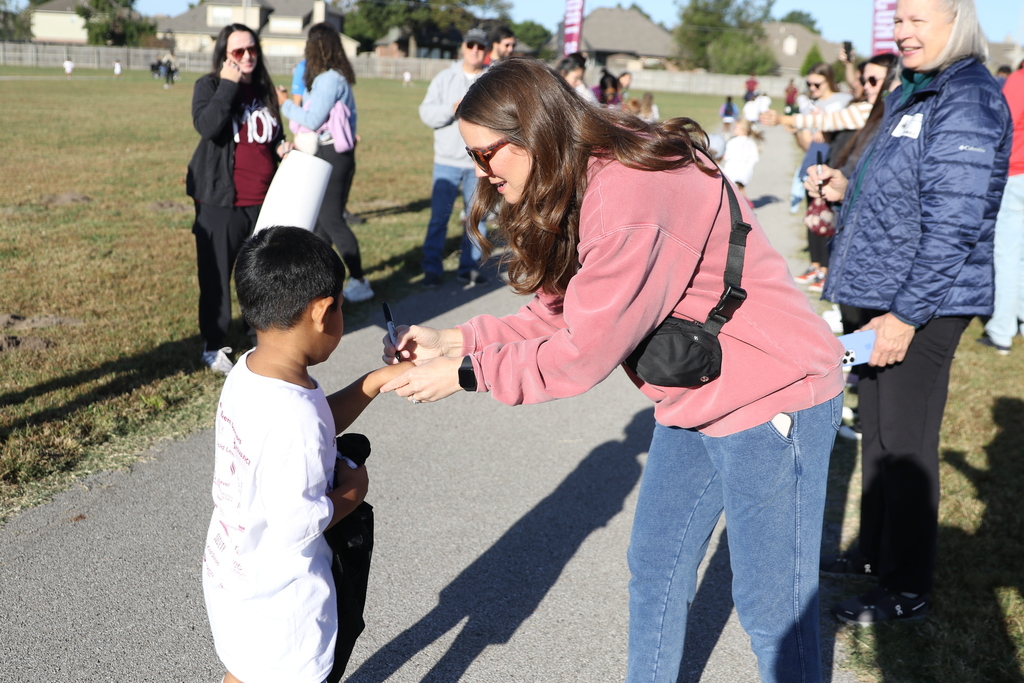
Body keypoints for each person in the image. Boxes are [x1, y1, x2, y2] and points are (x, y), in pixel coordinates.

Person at [380, 58, 845, 682]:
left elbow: (580, 353)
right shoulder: (584, 177)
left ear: (535, 135)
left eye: (488, 154)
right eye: (472, 157)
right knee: (657, 563)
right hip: (698, 396)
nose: (481, 173)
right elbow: (562, 313)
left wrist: (468, 374)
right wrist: (454, 338)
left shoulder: (628, 196)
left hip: (772, 396)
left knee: (772, 609)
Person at [808, 0, 1011, 624]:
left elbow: (953, 225)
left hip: (923, 304)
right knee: (877, 431)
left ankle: (908, 584)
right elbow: (903, 188)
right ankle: (875, 555)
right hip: (880, 293)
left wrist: (903, 317)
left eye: (919, 19)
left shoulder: (967, 97)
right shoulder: (915, 91)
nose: (903, 31)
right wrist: (847, 188)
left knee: (906, 442)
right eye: (899, 20)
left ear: (958, 20)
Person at [202, 226, 410, 683]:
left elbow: (314, 422)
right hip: (284, 607)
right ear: (322, 311)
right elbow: (299, 523)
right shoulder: (294, 415)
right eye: (340, 308)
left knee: (242, 670)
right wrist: (354, 490)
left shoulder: (252, 371)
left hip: (233, 575)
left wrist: (373, 382)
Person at [186, 23, 291, 374]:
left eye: (252, 50)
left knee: (259, 274)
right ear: (224, 55)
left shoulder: (263, 91)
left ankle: (259, 337)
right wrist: (228, 84)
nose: (247, 57)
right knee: (216, 274)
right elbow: (208, 127)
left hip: (263, 199)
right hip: (220, 200)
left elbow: (271, 134)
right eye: (238, 52)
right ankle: (214, 344)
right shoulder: (210, 86)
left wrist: (281, 148)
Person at [278, 23, 373, 304]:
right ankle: (320, 283)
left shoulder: (329, 79)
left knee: (332, 220)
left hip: (334, 156)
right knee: (320, 226)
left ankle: (360, 280)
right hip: (330, 154)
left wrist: (283, 102)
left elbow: (312, 119)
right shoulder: (331, 78)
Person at [417, 27, 491, 287]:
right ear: (463, 47)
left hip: (479, 162)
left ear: (486, 51)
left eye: (480, 46)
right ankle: (432, 269)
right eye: (471, 45)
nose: (475, 50)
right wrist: (450, 110)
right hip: (447, 161)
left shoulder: (491, 79)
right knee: (439, 218)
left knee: (476, 217)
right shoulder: (444, 79)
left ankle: (469, 266)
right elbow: (425, 113)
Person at [978, 64, 1024, 354]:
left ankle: (1001, 332)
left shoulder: (1018, 83)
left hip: (1016, 174)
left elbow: (1001, 126)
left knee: (1007, 256)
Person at [720, 118, 761, 196]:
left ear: (744, 130)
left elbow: (727, 156)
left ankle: (745, 205)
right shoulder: (751, 143)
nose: (733, 128)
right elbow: (755, 158)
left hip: (732, 171)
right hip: (745, 173)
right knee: (740, 189)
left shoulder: (733, 142)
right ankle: (745, 204)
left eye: (736, 127)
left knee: (732, 192)